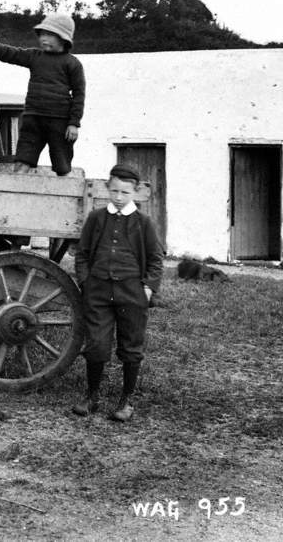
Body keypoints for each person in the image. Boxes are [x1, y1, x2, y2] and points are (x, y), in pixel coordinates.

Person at [70, 164, 165, 422]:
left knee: (131, 346)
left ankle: (126, 400)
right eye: (114, 191)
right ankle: (92, 396)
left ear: (134, 192)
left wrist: (146, 289)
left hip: (131, 293)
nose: (118, 197)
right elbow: (83, 254)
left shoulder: (144, 223)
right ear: (107, 189)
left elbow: (156, 260)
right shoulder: (97, 218)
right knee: (97, 345)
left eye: (124, 192)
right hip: (98, 292)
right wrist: (86, 283)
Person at [0, 13, 85, 175]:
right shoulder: (34, 56)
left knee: (62, 165)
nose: (44, 38)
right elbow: (9, 53)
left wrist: (74, 123)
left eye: (50, 35)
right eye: (42, 34)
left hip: (60, 122)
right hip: (33, 119)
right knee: (23, 161)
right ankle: (15, 195)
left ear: (63, 39)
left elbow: (79, 94)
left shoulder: (73, 64)